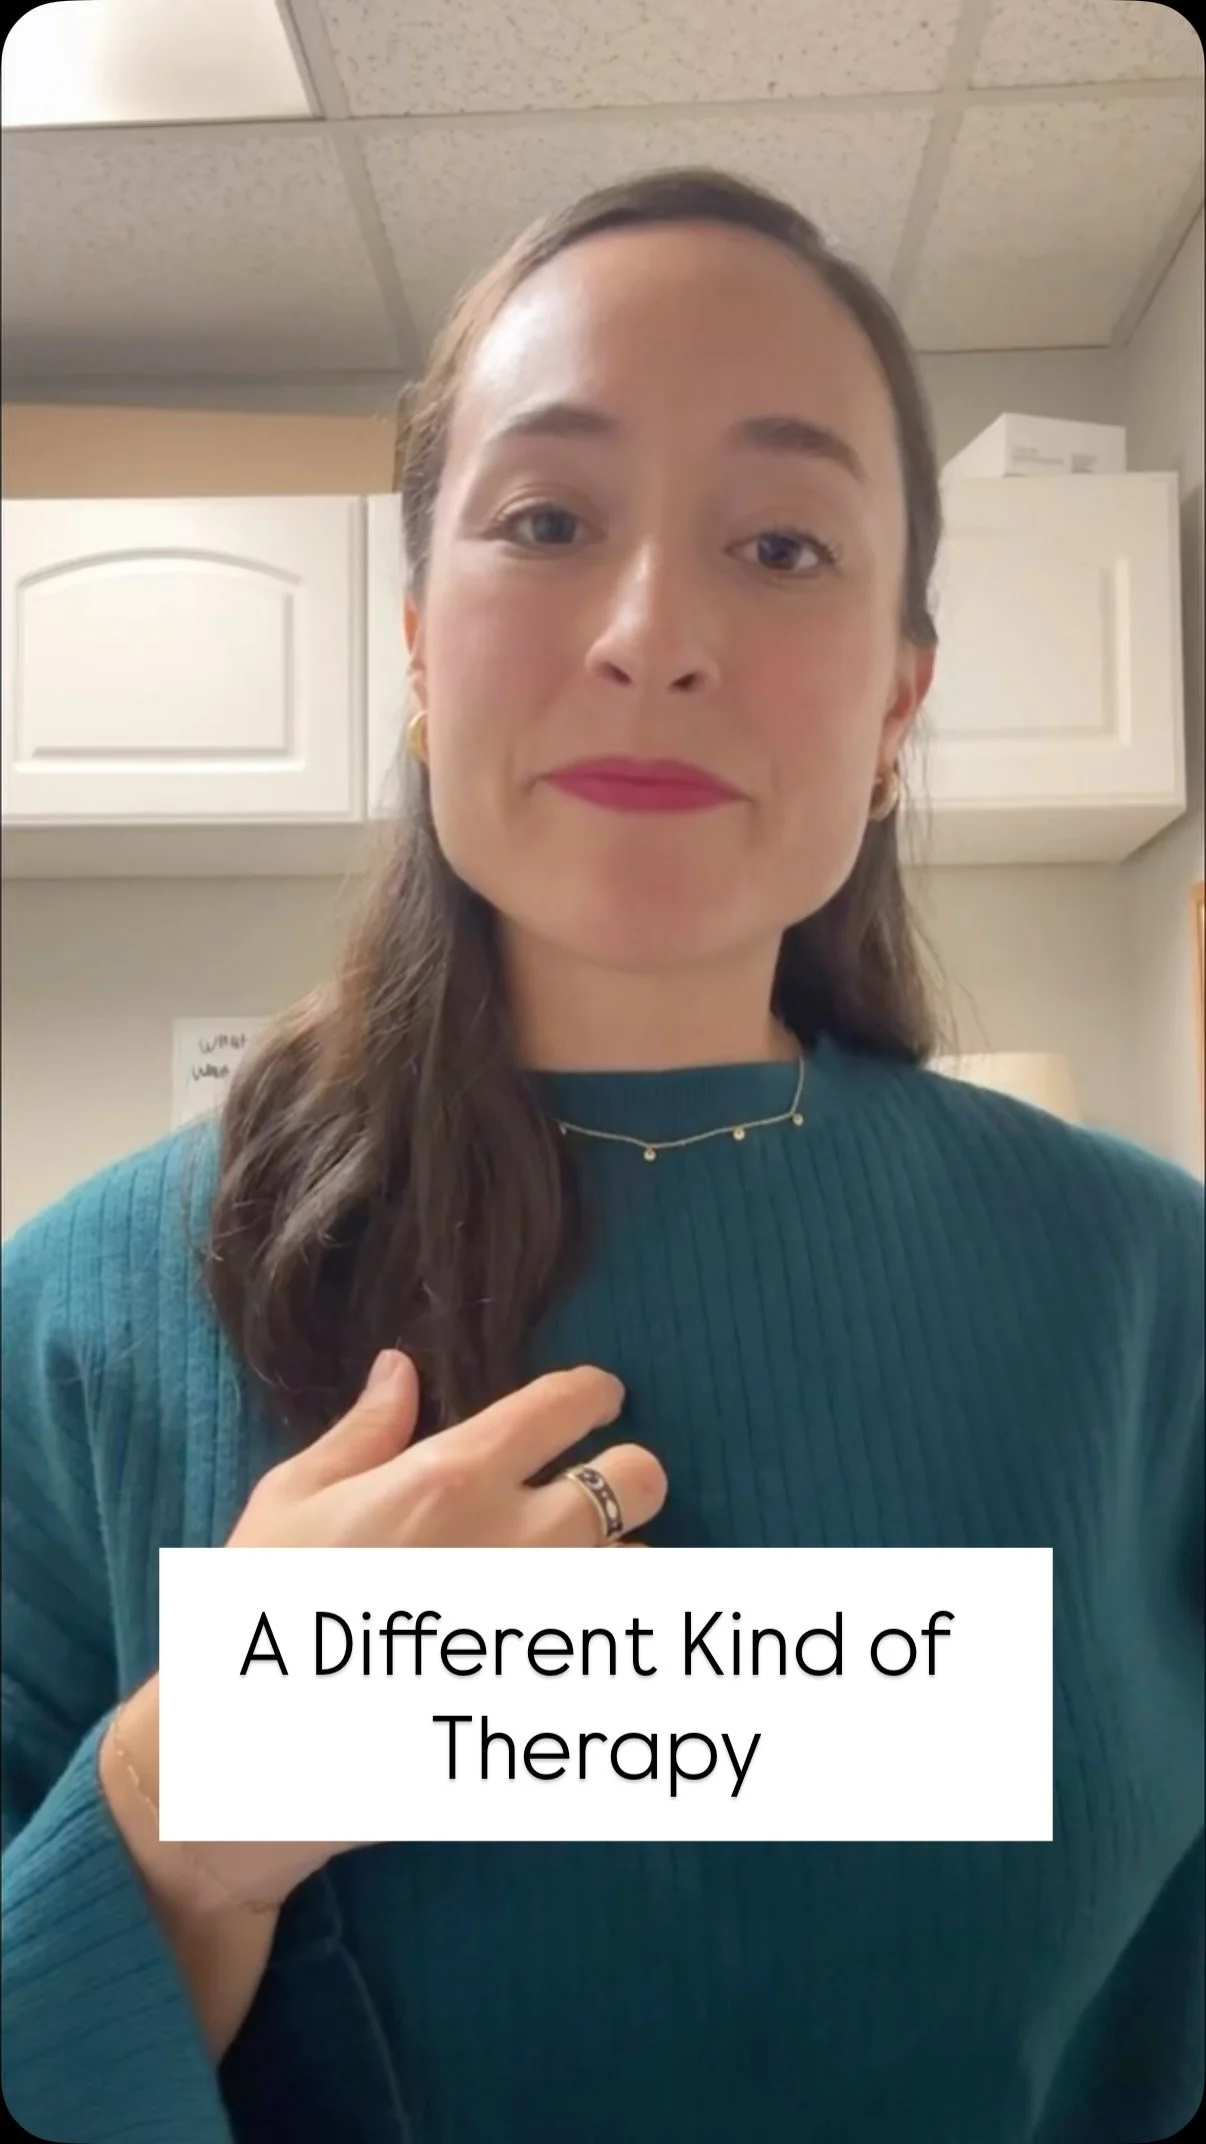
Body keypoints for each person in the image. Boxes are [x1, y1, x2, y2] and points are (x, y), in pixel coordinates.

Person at [2, 166, 1202, 2144]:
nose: (653, 636)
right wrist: (178, 1811)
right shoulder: (69, 1325)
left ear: (898, 699)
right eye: (549, 522)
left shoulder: (1159, 1305)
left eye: (783, 545)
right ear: (418, 644)